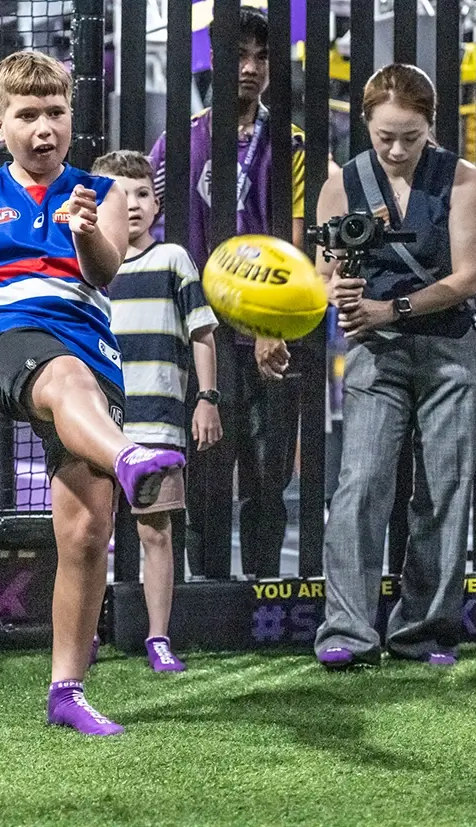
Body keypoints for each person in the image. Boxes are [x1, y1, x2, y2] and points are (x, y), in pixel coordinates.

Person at [0, 50, 183, 735]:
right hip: (10, 341)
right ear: (1, 124)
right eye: (27, 115)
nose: (44, 127)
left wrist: (85, 233)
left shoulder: (101, 192)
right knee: (62, 377)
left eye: (55, 113)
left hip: (91, 347)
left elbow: (105, 273)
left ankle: (67, 689)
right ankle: (132, 457)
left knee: (85, 531)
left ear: (70, 117)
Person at [313, 63, 476, 668]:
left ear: (431, 128)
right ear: (364, 123)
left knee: (445, 490)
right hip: (375, 352)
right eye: (384, 135)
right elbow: (323, 272)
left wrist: (391, 308)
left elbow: (469, 278)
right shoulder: (343, 183)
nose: (395, 148)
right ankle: (347, 631)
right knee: (360, 484)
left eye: (409, 137)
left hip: (450, 350)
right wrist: (336, 281)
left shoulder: (462, 179)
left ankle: (424, 631)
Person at [148, 7, 307, 579]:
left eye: (262, 57)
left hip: (269, 341)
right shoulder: (177, 142)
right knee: (207, 473)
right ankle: (210, 590)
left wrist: (269, 328)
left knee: (268, 481)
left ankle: (264, 588)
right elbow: (149, 228)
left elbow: (294, 246)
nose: (251, 68)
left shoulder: (290, 144)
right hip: (201, 339)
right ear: (212, 59)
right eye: (238, 55)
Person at [93, 149, 222, 672]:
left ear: (157, 200)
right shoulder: (85, 266)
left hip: (159, 423)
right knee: (90, 534)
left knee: (156, 532)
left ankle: (158, 637)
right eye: (118, 195)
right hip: (97, 426)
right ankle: (86, 635)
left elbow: (203, 333)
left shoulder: (173, 259)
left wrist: (207, 399)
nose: (132, 205)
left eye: (142, 193)